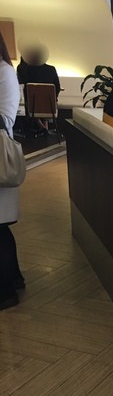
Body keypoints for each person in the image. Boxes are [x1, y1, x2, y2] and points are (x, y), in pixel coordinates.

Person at [0, 32, 24, 310]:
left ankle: (6, 291)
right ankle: (13, 279)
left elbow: (5, 119)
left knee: (0, 226)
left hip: (1, 156)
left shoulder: (5, 72)